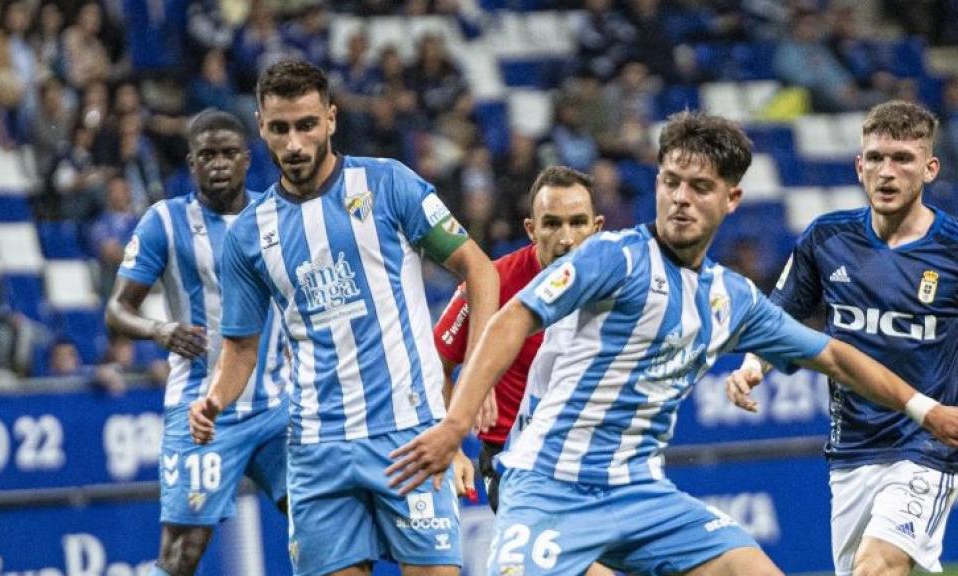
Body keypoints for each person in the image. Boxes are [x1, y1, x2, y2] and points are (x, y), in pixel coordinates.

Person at [386, 111, 958, 576]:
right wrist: (457, 424)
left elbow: (831, 354)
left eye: (699, 187)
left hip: (640, 492)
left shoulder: (730, 297)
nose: (680, 198)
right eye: (670, 182)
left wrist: (925, 410)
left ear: (731, 200)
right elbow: (512, 318)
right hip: (549, 488)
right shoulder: (610, 256)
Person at [188, 60, 499, 576]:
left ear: (331, 119)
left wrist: (475, 374)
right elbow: (242, 347)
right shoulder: (249, 235)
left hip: (410, 438)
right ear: (262, 127)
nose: (294, 143)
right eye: (280, 128)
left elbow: (479, 271)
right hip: (316, 453)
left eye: (306, 125)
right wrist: (215, 400)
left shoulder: (388, 184)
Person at [726, 100, 958, 576]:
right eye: (874, 158)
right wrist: (752, 367)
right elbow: (778, 316)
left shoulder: (953, 248)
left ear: (930, 169)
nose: (886, 172)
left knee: (877, 567)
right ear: (858, 166)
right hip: (851, 447)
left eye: (902, 159)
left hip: (927, 444)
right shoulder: (826, 238)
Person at [105, 109, 290, 576]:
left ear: (248, 159)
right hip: (200, 411)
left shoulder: (278, 216)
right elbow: (117, 310)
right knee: (182, 554)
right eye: (207, 155)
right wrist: (160, 330)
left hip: (278, 408)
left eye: (229, 153)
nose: (219, 163)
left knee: (322, 528)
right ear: (192, 163)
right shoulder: (164, 222)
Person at [433, 165, 604, 508]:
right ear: (531, 229)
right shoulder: (491, 282)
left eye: (578, 223)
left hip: (595, 456)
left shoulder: (617, 283)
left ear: (597, 228)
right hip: (513, 459)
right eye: (552, 224)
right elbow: (434, 364)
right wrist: (449, 447)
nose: (566, 238)